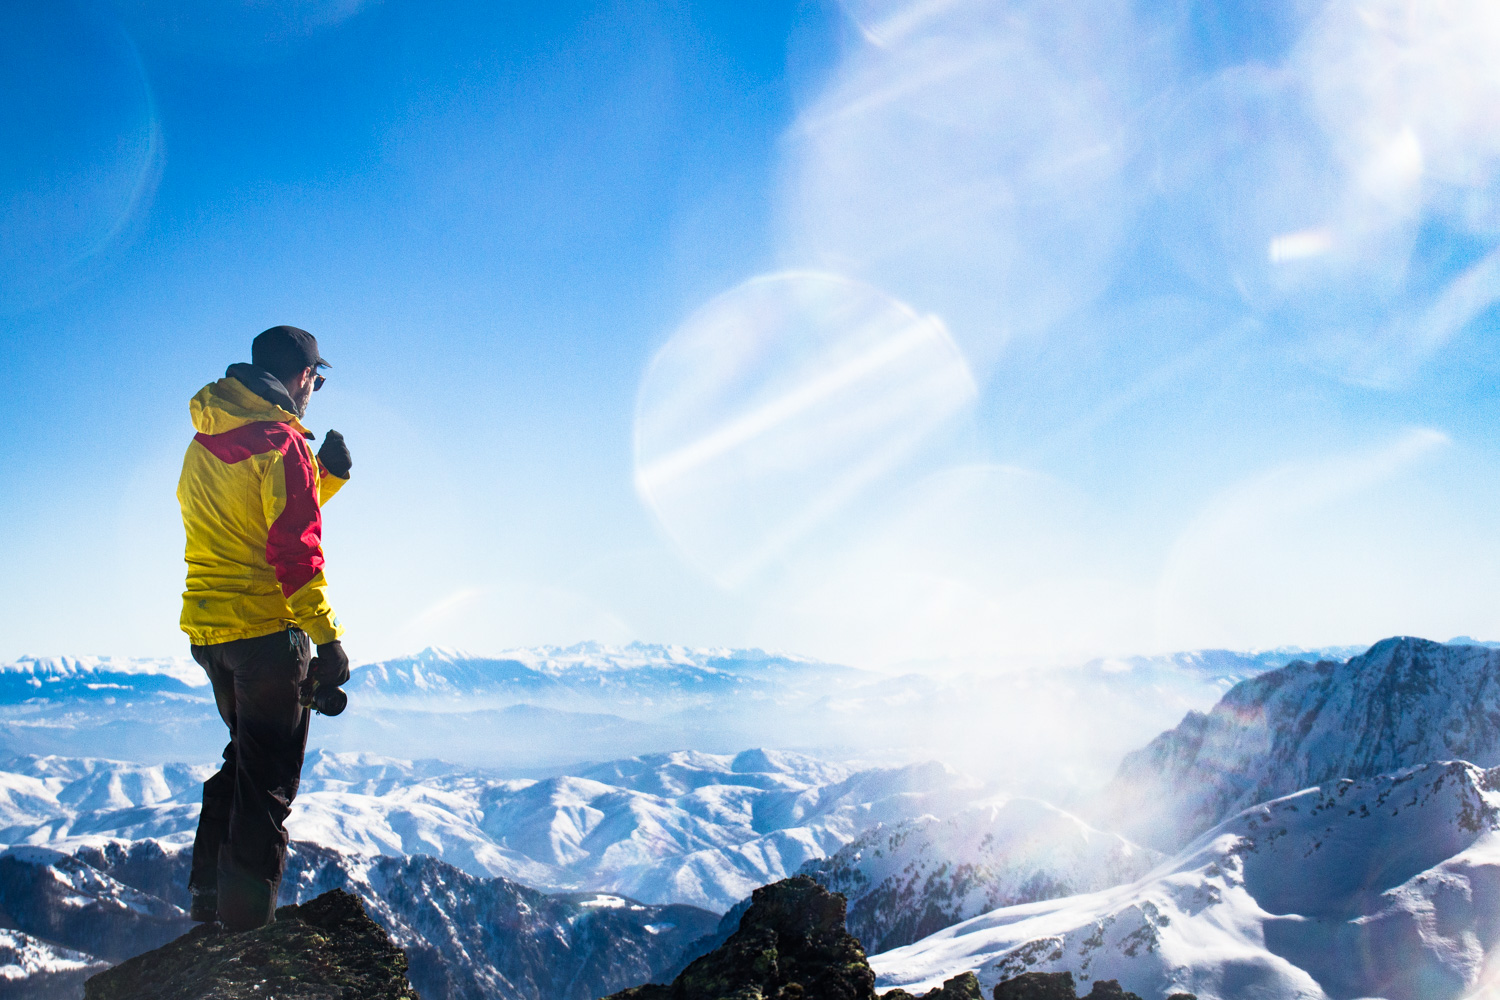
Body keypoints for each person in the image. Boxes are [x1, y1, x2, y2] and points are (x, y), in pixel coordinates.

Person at [176, 325, 354, 930]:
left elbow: (247, 527)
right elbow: (296, 554)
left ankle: (207, 901)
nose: (315, 390)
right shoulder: (282, 444)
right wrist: (328, 642)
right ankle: (246, 935)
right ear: (300, 377)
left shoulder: (205, 438)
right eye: (316, 379)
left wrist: (320, 480)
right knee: (269, 781)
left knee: (245, 761)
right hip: (266, 638)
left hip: (211, 634)